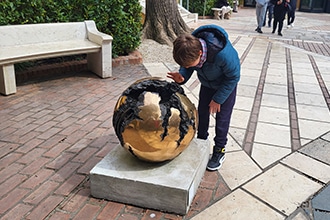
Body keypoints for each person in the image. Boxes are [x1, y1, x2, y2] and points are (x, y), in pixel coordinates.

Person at [167, 25, 240, 171]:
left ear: (200, 53)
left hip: (225, 86)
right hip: (207, 84)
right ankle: (201, 139)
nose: (186, 66)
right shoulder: (192, 48)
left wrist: (218, 99)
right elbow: (188, 67)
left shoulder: (222, 54)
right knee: (202, 113)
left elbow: (234, 76)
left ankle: (220, 150)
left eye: (188, 64)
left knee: (222, 118)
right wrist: (182, 77)